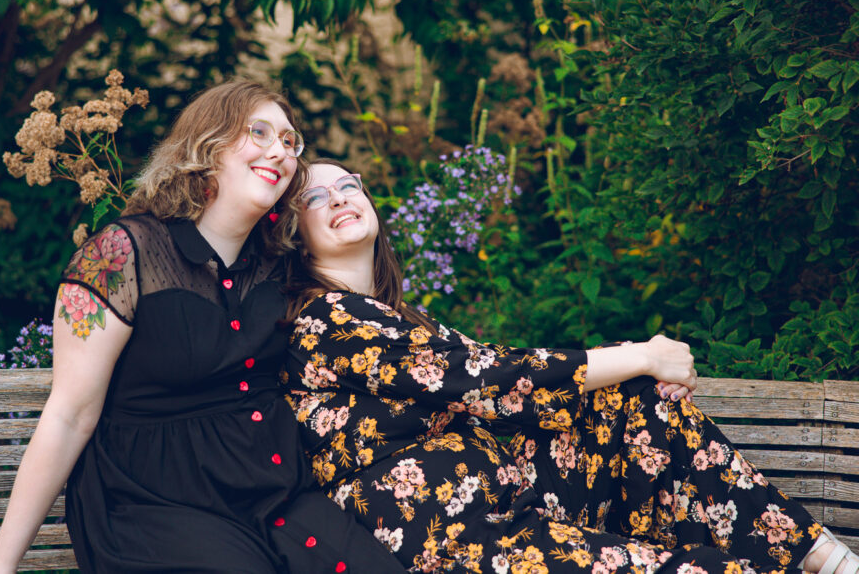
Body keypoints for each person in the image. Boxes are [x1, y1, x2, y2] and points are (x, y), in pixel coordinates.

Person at [281, 159, 859, 574]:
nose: (338, 198)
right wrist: (638, 354)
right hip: (453, 540)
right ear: (295, 235)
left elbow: (502, 378)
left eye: (349, 184)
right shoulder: (322, 320)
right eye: (314, 196)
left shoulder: (401, 314)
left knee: (639, 399)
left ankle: (824, 557)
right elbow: (484, 379)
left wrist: (633, 366)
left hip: (512, 492)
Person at [0, 84, 405, 573]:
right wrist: (2, 568)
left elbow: (354, 304)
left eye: (290, 142)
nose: (281, 151)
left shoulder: (278, 266)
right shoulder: (121, 255)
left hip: (275, 497)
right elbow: (69, 416)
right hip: (155, 503)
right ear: (209, 145)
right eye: (260, 132)